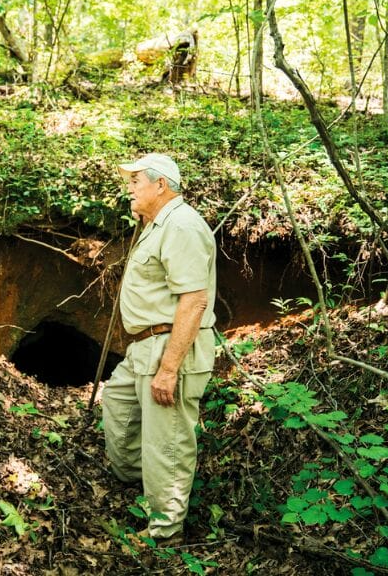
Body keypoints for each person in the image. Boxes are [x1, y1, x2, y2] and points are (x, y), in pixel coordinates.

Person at [102, 153, 217, 544]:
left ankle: (164, 531)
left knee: (167, 442)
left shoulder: (182, 225)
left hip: (169, 349)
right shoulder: (156, 225)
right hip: (142, 348)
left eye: (136, 181)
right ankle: (146, 486)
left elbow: (194, 301)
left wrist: (169, 369)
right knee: (117, 408)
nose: (129, 188)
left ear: (161, 185)